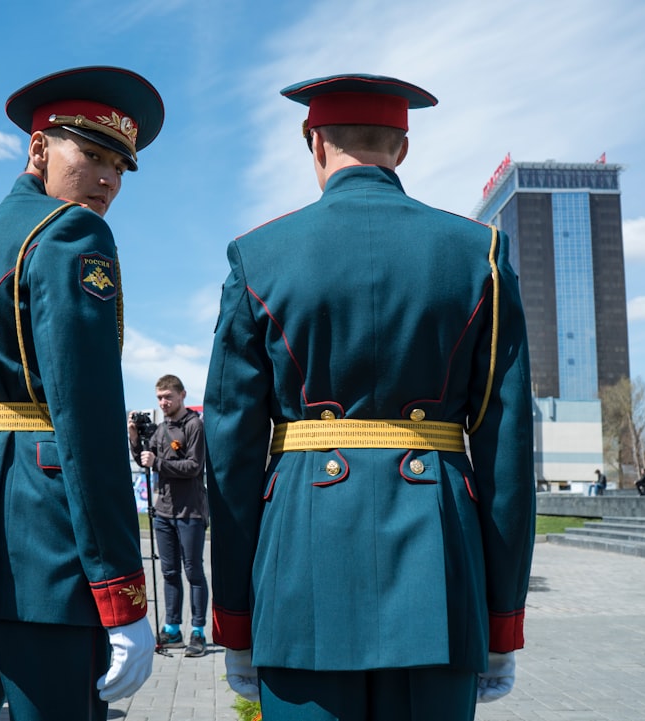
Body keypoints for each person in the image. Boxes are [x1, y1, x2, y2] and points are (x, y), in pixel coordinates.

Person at [204, 73, 536, 721]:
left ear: (314, 143)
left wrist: (236, 620)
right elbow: (507, 453)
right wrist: (501, 623)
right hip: (436, 573)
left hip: (302, 569)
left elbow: (231, 450)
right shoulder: (481, 254)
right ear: (402, 150)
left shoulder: (257, 256)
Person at [0, 65, 165, 720]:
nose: (108, 179)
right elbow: (90, 419)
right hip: (40, 549)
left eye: (120, 167)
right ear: (39, 149)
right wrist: (122, 597)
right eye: (94, 155)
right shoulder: (72, 233)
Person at [127, 375, 208, 657]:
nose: (163, 402)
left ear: (182, 395)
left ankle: (198, 631)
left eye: (168, 397)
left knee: (193, 572)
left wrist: (158, 462)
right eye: (159, 397)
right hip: (163, 513)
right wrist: (135, 441)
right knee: (169, 572)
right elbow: (145, 462)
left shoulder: (194, 425)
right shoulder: (160, 430)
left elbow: (194, 466)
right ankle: (172, 628)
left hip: (191, 512)